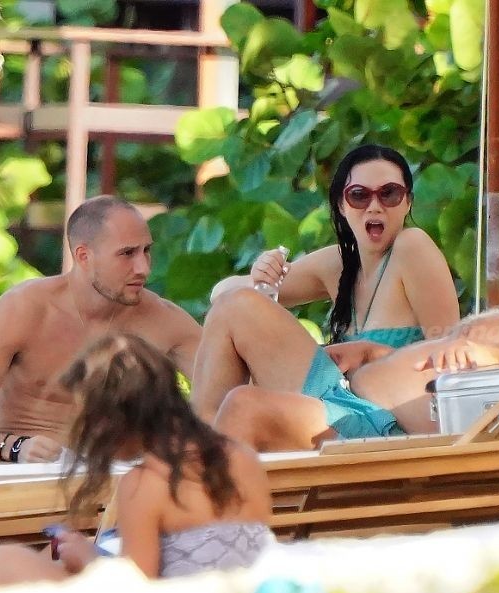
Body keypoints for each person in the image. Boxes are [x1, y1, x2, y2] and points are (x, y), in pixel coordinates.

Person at [0, 196, 203, 565]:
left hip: (107, 484)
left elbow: (223, 394)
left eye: (147, 251)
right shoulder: (25, 309)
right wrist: (16, 448)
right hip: (14, 468)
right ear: (83, 256)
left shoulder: (164, 321)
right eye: (127, 254)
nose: (143, 267)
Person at [196, 211, 499, 449]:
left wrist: (487, 355)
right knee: (237, 306)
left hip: (369, 427)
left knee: (243, 406)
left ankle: (196, 511)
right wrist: (374, 353)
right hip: (350, 394)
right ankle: (190, 468)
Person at [193, 145, 459, 428]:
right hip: (338, 407)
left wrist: (375, 354)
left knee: (237, 322)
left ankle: (201, 441)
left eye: (389, 193)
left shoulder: (413, 246)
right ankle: (204, 436)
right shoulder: (338, 263)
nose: (374, 205)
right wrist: (262, 273)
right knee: (222, 309)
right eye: (359, 195)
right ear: (342, 206)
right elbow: (223, 295)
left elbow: (453, 359)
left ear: (407, 202)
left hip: (387, 423)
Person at [0, 334, 272, 586]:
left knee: (5, 561)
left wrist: (90, 560)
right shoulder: (241, 457)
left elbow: (135, 590)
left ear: (114, 421)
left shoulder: (145, 484)